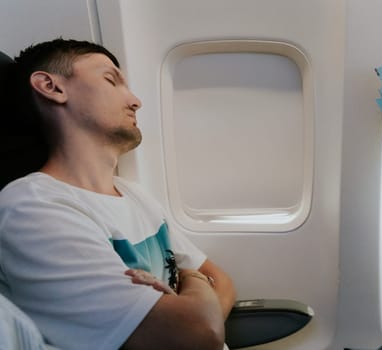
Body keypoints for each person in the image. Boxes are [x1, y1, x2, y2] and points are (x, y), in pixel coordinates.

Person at [0, 38, 236, 350]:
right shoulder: (32, 208)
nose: (136, 101)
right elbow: (193, 334)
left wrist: (193, 297)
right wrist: (192, 281)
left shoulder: (133, 195)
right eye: (111, 80)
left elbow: (222, 281)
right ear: (52, 86)